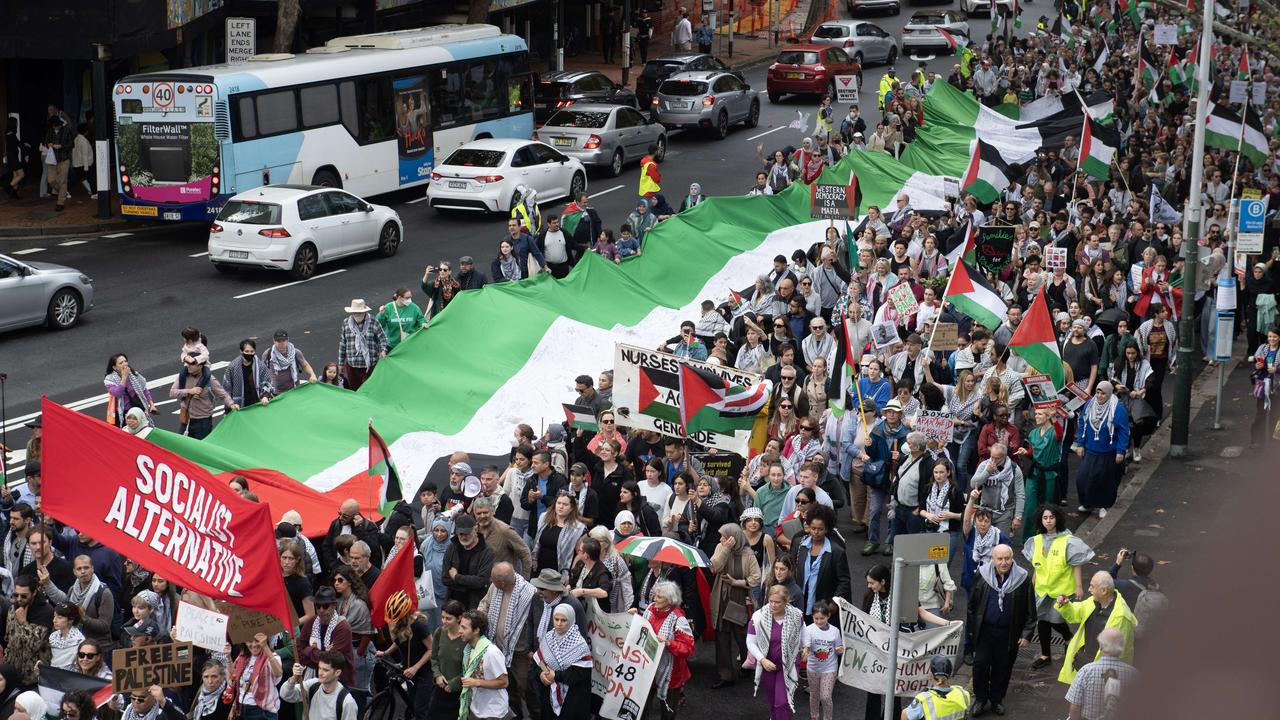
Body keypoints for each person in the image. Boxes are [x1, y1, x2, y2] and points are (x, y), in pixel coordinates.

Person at [1024, 504, 1093, 672]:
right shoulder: (1037, 540)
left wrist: (1078, 586)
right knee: (1043, 620)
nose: (1048, 521)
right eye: (1045, 518)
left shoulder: (1067, 540)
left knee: (1056, 619)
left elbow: (1076, 564)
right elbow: (1037, 565)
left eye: (1051, 517)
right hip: (1042, 589)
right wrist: (1032, 582)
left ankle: (1068, 637)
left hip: (1061, 590)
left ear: (1057, 519)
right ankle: (1045, 655)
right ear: (1041, 520)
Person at [967, 545, 1034, 717]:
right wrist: (972, 630)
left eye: (1007, 558)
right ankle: (980, 699)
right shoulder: (982, 574)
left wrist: (1026, 634)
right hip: (985, 631)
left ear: (1012, 558)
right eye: (1000, 559)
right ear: (993, 559)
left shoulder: (1023, 578)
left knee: (1002, 668)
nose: (1004, 562)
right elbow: (972, 606)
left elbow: (1030, 611)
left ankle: (996, 699)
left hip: (1008, 633)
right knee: (980, 666)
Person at [477, 562, 537, 720]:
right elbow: (485, 603)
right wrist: (480, 616)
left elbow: (535, 623)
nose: (490, 581)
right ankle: (515, 715)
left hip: (519, 652)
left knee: (524, 686)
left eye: (493, 579)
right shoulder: (494, 587)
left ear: (502, 582)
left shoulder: (529, 594)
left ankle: (535, 714)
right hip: (497, 648)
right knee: (507, 686)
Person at [1054, 572, 1137, 685]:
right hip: (1086, 664)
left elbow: (1121, 654)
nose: (1089, 589)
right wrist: (1065, 605)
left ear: (1103, 591)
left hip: (1103, 675)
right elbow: (1076, 612)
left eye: (1092, 586)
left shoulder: (1121, 617)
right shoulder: (1094, 602)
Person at [710, 522, 760, 688]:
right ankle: (725, 675)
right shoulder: (720, 547)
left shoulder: (748, 554)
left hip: (740, 600)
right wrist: (725, 549)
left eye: (724, 536)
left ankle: (749, 664)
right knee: (722, 636)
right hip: (721, 599)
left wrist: (736, 582)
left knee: (743, 636)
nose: (720, 539)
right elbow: (714, 567)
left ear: (734, 538)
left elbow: (756, 578)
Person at [747, 584, 804, 719]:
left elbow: (804, 634)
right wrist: (762, 659)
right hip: (767, 666)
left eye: (777, 602)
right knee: (773, 702)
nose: (773, 605)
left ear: (786, 602)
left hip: (788, 666)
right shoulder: (758, 618)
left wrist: (806, 647)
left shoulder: (796, 616)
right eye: (771, 601)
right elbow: (750, 642)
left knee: (782, 702)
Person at [1074, 382, 1129, 518]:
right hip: (1090, 450)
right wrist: (1080, 443)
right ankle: (1087, 503)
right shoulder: (1089, 404)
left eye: (1103, 393)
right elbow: (1082, 422)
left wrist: (1120, 451)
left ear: (1109, 394)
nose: (1099, 396)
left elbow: (1123, 431)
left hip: (1108, 452)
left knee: (1106, 481)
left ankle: (1104, 505)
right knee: (1083, 478)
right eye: (1098, 392)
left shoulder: (1118, 409)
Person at [642, 580, 695, 720]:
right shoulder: (650, 610)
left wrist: (668, 643)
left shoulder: (679, 619)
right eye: (655, 595)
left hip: (670, 675)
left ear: (670, 600)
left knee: (667, 713)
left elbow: (688, 649)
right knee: (640, 709)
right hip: (648, 669)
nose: (654, 599)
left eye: (659, 597)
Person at [533, 603, 593, 718]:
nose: (559, 624)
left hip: (572, 700)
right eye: (556, 619)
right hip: (549, 693)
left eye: (563, 620)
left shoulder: (579, 644)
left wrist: (556, 676)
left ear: (570, 620)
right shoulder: (548, 637)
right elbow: (539, 661)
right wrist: (542, 674)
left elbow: (581, 673)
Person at [1064, 627, 1138, 720]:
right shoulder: (1133, 674)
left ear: (1101, 646)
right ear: (1122, 648)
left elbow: (1075, 708)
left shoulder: (1086, 671)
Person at [458, 609, 510, 720]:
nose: (459, 631)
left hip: (493, 712)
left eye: (464, 628)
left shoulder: (492, 653)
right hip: (475, 709)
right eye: (460, 626)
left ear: (476, 630)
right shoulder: (468, 650)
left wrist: (476, 682)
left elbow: (504, 682)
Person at [279, 651, 359, 720]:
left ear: (337, 672)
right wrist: (294, 678)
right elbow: (285, 695)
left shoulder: (347, 702)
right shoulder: (313, 685)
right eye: (320, 668)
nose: (320, 673)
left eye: (325, 670)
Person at [970, 443, 1025, 537]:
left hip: (1004, 513)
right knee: (983, 545)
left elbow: (1020, 494)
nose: (993, 461)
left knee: (1001, 545)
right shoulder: (984, 465)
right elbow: (973, 484)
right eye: (992, 457)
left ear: (1004, 457)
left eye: (997, 458)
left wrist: (1018, 517)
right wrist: (987, 472)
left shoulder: (1015, 469)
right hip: (985, 512)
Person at [802, 599, 844, 720]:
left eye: (822, 618)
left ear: (828, 616)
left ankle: (827, 717)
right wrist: (805, 652)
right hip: (813, 668)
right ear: (812, 617)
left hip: (829, 669)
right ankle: (814, 716)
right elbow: (807, 645)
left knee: (825, 697)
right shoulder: (809, 630)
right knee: (814, 695)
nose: (819, 621)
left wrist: (841, 650)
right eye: (816, 618)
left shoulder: (835, 631)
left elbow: (838, 648)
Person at [443, 513, 496, 609]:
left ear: (475, 529)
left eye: (467, 533)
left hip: (474, 604)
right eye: (460, 534)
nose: (463, 537)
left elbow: (481, 581)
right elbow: (445, 578)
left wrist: (456, 577)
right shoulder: (453, 547)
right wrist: (469, 583)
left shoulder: (486, 551)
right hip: (452, 603)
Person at [337, 298, 389, 390]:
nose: (358, 314)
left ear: (365, 312)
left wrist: (383, 350)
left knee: (370, 390)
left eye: (360, 312)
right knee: (354, 391)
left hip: (370, 365)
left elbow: (383, 339)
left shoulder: (374, 322)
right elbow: (343, 344)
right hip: (352, 365)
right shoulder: (346, 323)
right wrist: (341, 363)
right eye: (355, 312)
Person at [900, 656, 971, 720]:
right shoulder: (963, 693)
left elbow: (905, 716)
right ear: (949, 675)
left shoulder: (923, 700)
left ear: (930, 674)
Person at [231, 632, 283, 720]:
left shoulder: (272, 657)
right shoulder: (242, 657)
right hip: (241, 708)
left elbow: (278, 673)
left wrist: (265, 647)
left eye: (257, 641)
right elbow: (233, 679)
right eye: (250, 641)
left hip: (262, 712)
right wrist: (228, 656)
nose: (254, 645)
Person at [104, 354, 158, 427]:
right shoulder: (109, 380)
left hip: (137, 409)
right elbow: (118, 393)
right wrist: (124, 377)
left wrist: (151, 404)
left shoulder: (133, 375)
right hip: (123, 413)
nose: (124, 364)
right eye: (121, 363)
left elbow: (144, 389)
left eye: (125, 361)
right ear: (114, 367)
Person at [223, 339, 275, 408]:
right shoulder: (232, 367)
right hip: (239, 406)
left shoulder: (260, 366)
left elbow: (267, 382)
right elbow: (226, 389)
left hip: (258, 403)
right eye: (247, 351)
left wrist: (265, 396)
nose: (249, 354)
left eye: (252, 351)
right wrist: (228, 407)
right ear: (241, 351)